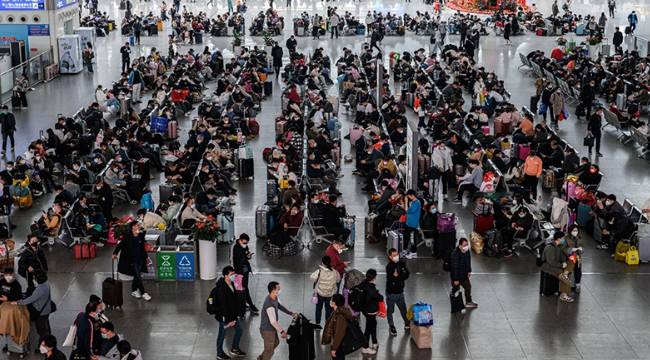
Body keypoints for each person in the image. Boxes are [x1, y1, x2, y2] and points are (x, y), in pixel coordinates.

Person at [10, 270, 53, 349]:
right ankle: (48, 338)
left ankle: (45, 345)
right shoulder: (46, 283)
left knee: (41, 330)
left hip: (41, 312)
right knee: (46, 326)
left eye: (34, 278)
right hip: (46, 309)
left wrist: (18, 302)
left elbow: (30, 299)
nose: (34, 279)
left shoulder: (41, 289)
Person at [213, 266, 246, 360]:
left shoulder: (231, 283)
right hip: (225, 317)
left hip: (233, 315)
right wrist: (229, 320)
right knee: (222, 335)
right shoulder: (221, 289)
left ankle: (235, 348)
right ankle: (219, 353)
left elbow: (233, 301)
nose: (233, 276)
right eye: (231, 274)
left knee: (239, 330)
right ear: (225, 275)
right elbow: (223, 306)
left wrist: (236, 315)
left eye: (234, 274)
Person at [112, 221, 151, 301]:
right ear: (132, 227)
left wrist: (146, 257)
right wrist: (115, 253)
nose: (139, 227)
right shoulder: (127, 236)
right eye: (137, 225)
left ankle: (134, 290)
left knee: (137, 275)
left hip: (140, 258)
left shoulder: (140, 235)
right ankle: (143, 292)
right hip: (131, 260)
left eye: (139, 225)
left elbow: (142, 248)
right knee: (138, 276)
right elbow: (120, 245)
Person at [258, 281, 295, 360]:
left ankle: (261, 358)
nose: (280, 289)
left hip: (272, 328)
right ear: (273, 290)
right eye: (278, 288)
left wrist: (290, 313)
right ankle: (263, 358)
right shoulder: (269, 304)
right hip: (267, 330)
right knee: (269, 351)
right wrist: (282, 331)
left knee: (276, 343)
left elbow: (280, 306)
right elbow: (273, 321)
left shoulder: (274, 297)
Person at [542, 231, 574, 302]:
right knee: (566, 280)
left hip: (557, 264)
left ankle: (565, 274)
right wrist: (561, 265)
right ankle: (564, 295)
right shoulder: (550, 247)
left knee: (572, 261)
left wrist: (565, 261)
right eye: (563, 238)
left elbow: (562, 258)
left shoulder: (559, 247)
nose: (564, 240)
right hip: (548, 266)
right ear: (559, 239)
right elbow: (550, 261)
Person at [231, 233, 259, 314]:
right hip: (239, 272)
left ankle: (243, 304)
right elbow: (236, 260)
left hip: (245, 270)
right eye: (244, 242)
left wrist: (248, 256)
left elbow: (246, 255)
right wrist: (245, 257)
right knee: (243, 288)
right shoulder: (235, 248)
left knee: (243, 288)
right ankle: (250, 305)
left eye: (246, 243)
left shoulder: (244, 246)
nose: (245, 244)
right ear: (240, 240)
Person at [385, 248, 409, 336]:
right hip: (391, 293)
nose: (396, 257)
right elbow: (392, 279)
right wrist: (399, 276)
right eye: (394, 255)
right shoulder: (389, 267)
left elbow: (407, 274)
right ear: (390, 257)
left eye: (397, 255)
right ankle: (391, 326)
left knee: (403, 309)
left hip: (400, 292)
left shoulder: (402, 263)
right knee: (390, 310)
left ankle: (407, 322)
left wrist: (399, 276)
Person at [358, 269, 383, 355]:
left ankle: (375, 342)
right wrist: (377, 292)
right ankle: (365, 347)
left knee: (373, 324)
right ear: (374, 277)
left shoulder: (363, 284)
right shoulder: (371, 288)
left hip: (364, 309)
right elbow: (380, 298)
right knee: (368, 328)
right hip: (370, 310)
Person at [310, 256, 341, 326]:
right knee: (329, 310)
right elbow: (338, 280)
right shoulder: (335, 272)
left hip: (320, 294)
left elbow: (312, 278)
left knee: (318, 308)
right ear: (330, 262)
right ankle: (328, 324)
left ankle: (317, 323)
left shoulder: (319, 271)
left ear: (322, 262)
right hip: (330, 295)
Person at [321, 294, 353, 360]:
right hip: (338, 344)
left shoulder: (340, 316)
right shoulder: (336, 312)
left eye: (331, 299)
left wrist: (334, 349)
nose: (330, 301)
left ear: (334, 303)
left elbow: (339, 334)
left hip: (339, 345)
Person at [450, 238, 478, 308]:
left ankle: (468, 302)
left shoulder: (467, 251)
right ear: (460, 245)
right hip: (457, 276)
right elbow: (454, 268)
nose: (466, 246)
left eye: (467, 244)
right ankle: (453, 297)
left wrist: (469, 271)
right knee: (456, 288)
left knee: (468, 287)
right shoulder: (455, 254)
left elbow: (468, 262)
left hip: (464, 275)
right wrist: (455, 279)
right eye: (464, 245)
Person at [564, 225, 584, 293]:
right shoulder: (566, 238)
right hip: (569, 257)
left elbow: (582, 248)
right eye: (574, 230)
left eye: (576, 230)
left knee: (578, 271)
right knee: (568, 271)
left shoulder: (579, 238)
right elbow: (564, 249)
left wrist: (581, 250)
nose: (575, 232)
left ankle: (577, 285)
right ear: (570, 231)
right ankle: (567, 285)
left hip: (578, 257)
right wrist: (571, 250)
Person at [402, 190, 421, 259]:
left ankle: (414, 252)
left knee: (412, 239)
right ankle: (404, 249)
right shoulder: (413, 202)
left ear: (412, 195)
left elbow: (407, 211)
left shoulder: (417, 203)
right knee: (406, 237)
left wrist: (406, 202)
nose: (408, 197)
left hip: (413, 224)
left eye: (409, 196)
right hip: (408, 223)